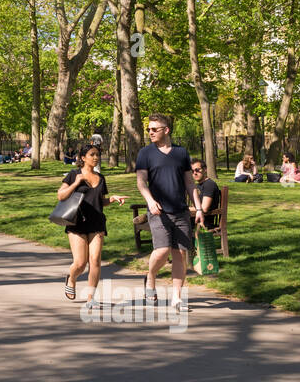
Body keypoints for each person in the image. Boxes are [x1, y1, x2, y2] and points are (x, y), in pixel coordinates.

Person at [135, 114, 203, 311]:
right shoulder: (145, 153)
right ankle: (151, 278)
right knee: (163, 251)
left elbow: (189, 183)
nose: (150, 132)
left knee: (180, 254)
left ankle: (177, 298)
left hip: (180, 210)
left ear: (166, 130)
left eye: (154, 129)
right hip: (158, 211)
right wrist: (150, 201)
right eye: (149, 129)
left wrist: (198, 208)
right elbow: (141, 181)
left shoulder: (181, 153)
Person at [58, 143, 128, 306]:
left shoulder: (101, 178)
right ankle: (72, 278)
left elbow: (100, 201)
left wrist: (111, 199)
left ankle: (91, 298)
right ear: (83, 158)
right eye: (92, 155)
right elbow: (61, 196)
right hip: (77, 223)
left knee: (95, 259)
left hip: (97, 222)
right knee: (80, 263)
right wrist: (76, 183)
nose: (96, 158)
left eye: (97, 154)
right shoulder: (73, 174)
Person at [190, 159, 222, 230]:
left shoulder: (209, 185)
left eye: (197, 170)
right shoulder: (199, 185)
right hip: (195, 219)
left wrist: (185, 209)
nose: (195, 173)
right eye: (192, 171)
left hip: (204, 222)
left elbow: (204, 208)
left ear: (205, 170)